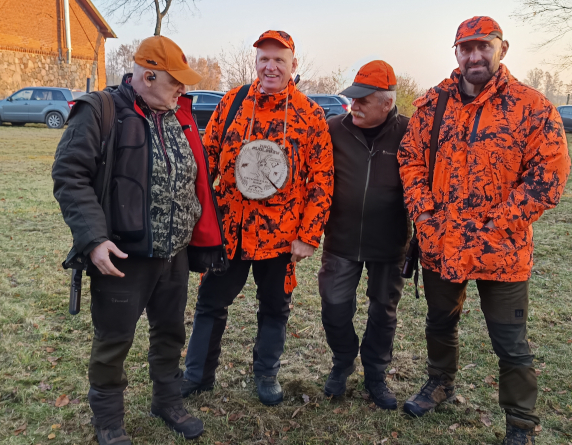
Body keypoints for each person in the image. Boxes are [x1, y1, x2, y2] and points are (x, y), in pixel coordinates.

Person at [398, 16, 571, 444]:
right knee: (439, 322)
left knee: (510, 342)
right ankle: (440, 383)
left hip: (502, 249)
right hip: (441, 242)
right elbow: (410, 160)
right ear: (456, 53)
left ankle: (521, 423)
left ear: (502, 48)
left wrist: (497, 225)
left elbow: (548, 176)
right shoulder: (433, 104)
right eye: (466, 48)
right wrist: (425, 216)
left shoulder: (532, 107)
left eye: (484, 46)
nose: (474, 56)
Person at [52, 36, 226, 444]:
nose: (182, 88)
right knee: (114, 340)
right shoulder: (102, 111)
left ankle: (167, 402)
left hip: (174, 253)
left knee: (170, 334)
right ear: (148, 75)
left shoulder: (177, 115)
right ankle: (109, 420)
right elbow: (69, 176)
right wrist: (93, 239)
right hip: (121, 255)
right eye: (175, 80)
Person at [181, 30, 333, 406]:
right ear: (256, 62)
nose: (271, 66)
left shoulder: (310, 115)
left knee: (275, 307)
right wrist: (197, 216)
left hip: (281, 236)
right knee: (210, 301)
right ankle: (197, 375)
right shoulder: (232, 103)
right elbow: (207, 158)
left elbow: (322, 180)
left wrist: (308, 236)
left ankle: (266, 374)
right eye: (264, 59)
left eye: (279, 60)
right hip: (230, 230)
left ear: (293, 64)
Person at [318, 61, 410, 410]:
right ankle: (343, 361)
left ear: (386, 104)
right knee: (334, 306)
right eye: (352, 98)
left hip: (389, 243)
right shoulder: (334, 129)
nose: (353, 105)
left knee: (383, 313)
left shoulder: (408, 132)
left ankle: (375, 375)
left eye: (362, 100)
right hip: (341, 240)